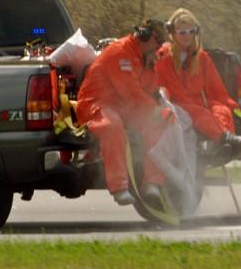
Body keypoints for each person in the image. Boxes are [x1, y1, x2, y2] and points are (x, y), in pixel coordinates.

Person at [75, 20, 174, 208]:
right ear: (143, 36)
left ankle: (153, 183)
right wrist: (156, 109)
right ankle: (119, 186)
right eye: (157, 41)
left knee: (157, 124)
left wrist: (160, 103)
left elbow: (148, 90)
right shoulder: (120, 52)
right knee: (111, 126)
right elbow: (131, 93)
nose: (159, 47)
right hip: (96, 104)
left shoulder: (144, 58)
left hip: (124, 107)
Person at [155, 8, 241, 163]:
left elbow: (217, 90)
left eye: (191, 31)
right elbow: (166, 90)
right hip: (176, 105)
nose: (187, 36)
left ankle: (222, 148)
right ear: (173, 33)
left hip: (198, 105)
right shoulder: (163, 58)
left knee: (221, 110)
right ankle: (227, 141)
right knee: (201, 113)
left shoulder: (201, 57)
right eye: (182, 32)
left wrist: (235, 110)